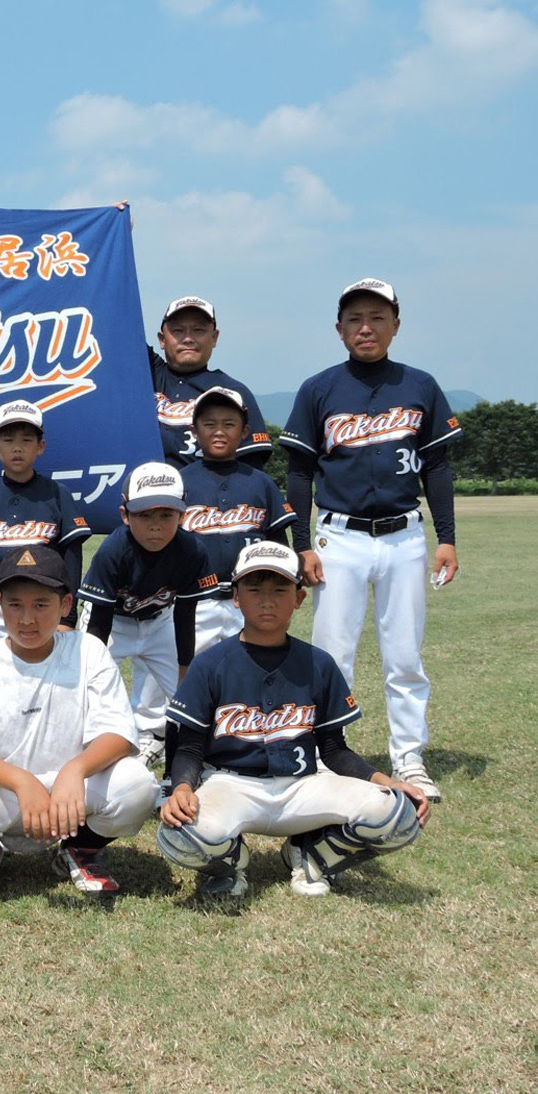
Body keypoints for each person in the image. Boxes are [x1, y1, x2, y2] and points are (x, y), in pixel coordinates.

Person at [157, 541, 430, 897]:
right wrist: (181, 788)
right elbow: (190, 746)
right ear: (236, 597)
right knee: (180, 834)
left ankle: (311, 856)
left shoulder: (319, 664)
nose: (267, 600)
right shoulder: (211, 664)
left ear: (298, 599)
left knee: (398, 814)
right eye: (254, 589)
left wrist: (385, 780)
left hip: (303, 786)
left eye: (280, 589)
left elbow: (334, 749)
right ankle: (230, 864)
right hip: (232, 785)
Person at [280, 278, 462, 802]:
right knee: (333, 655)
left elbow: (439, 467)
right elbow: (298, 474)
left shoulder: (420, 385)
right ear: (339, 329)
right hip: (340, 539)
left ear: (396, 325)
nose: (367, 327)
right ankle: (322, 752)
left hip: (405, 536)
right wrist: (301, 544)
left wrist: (446, 538)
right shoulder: (319, 389)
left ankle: (409, 756)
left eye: (378, 317)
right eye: (356, 318)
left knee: (404, 656)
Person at [0, 546, 157, 898]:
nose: (27, 619)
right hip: (5, 795)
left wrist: (75, 770)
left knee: (138, 784)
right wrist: (21, 781)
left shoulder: (87, 650)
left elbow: (119, 732)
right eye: (15, 604)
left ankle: (80, 848)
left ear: (66, 606)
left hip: (71, 798)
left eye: (41, 605)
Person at [79, 462, 216, 766]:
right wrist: (92, 666)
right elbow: (99, 622)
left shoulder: (192, 550)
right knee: (86, 690)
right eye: (144, 515)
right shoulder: (113, 551)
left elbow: (185, 612)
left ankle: (193, 762)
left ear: (183, 515)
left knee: (188, 695)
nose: (155, 525)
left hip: (161, 622)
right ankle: (84, 756)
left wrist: (185, 667)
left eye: (166, 514)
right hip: (111, 624)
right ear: (125, 515)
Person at [0, 399, 91, 638]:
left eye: (26, 440)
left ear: (41, 446)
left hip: (45, 602)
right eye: (8, 440)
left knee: (46, 673)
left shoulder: (57, 493)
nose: (17, 448)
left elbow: (72, 557)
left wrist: (68, 617)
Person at [179, 387, 295, 654]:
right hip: (194, 600)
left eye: (229, 424)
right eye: (209, 424)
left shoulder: (260, 482)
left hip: (247, 599)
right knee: (187, 676)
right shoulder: (180, 481)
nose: (219, 431)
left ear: (244, 432)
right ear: (194, 432)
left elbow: (278, 543)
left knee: (248, 670)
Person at [149, 297, 272, 470]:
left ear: (214, 338)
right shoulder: (145, 374)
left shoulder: (232, 392)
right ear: (162, 339)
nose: (188, 339)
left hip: (203, 495)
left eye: (199, 330)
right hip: (143, 493)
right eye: (178, 330)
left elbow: (251, 470)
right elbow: (112, 320)